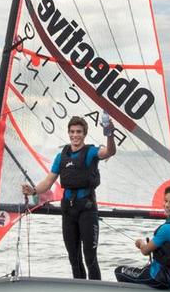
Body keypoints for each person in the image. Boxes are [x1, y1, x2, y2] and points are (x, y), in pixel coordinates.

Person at [21, 114, 116, 280]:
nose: (75, 135)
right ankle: (78, 290)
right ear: (68, 133)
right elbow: (49, 181)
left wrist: (109, 133)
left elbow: (110, 151)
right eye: (72, 131)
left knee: (90, 257)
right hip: (68, 210)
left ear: (84, 134)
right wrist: (33, 190)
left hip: (87, 210)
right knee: (74, 257)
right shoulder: (61, 156)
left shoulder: (91, 152)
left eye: (79, 132)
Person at [114, 185, 170, 290]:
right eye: (166, 201)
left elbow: (145, 251)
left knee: (120, 271)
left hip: (158, 277)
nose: (167, 205)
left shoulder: (167, 229)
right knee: (143, 271)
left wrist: (140, 243)